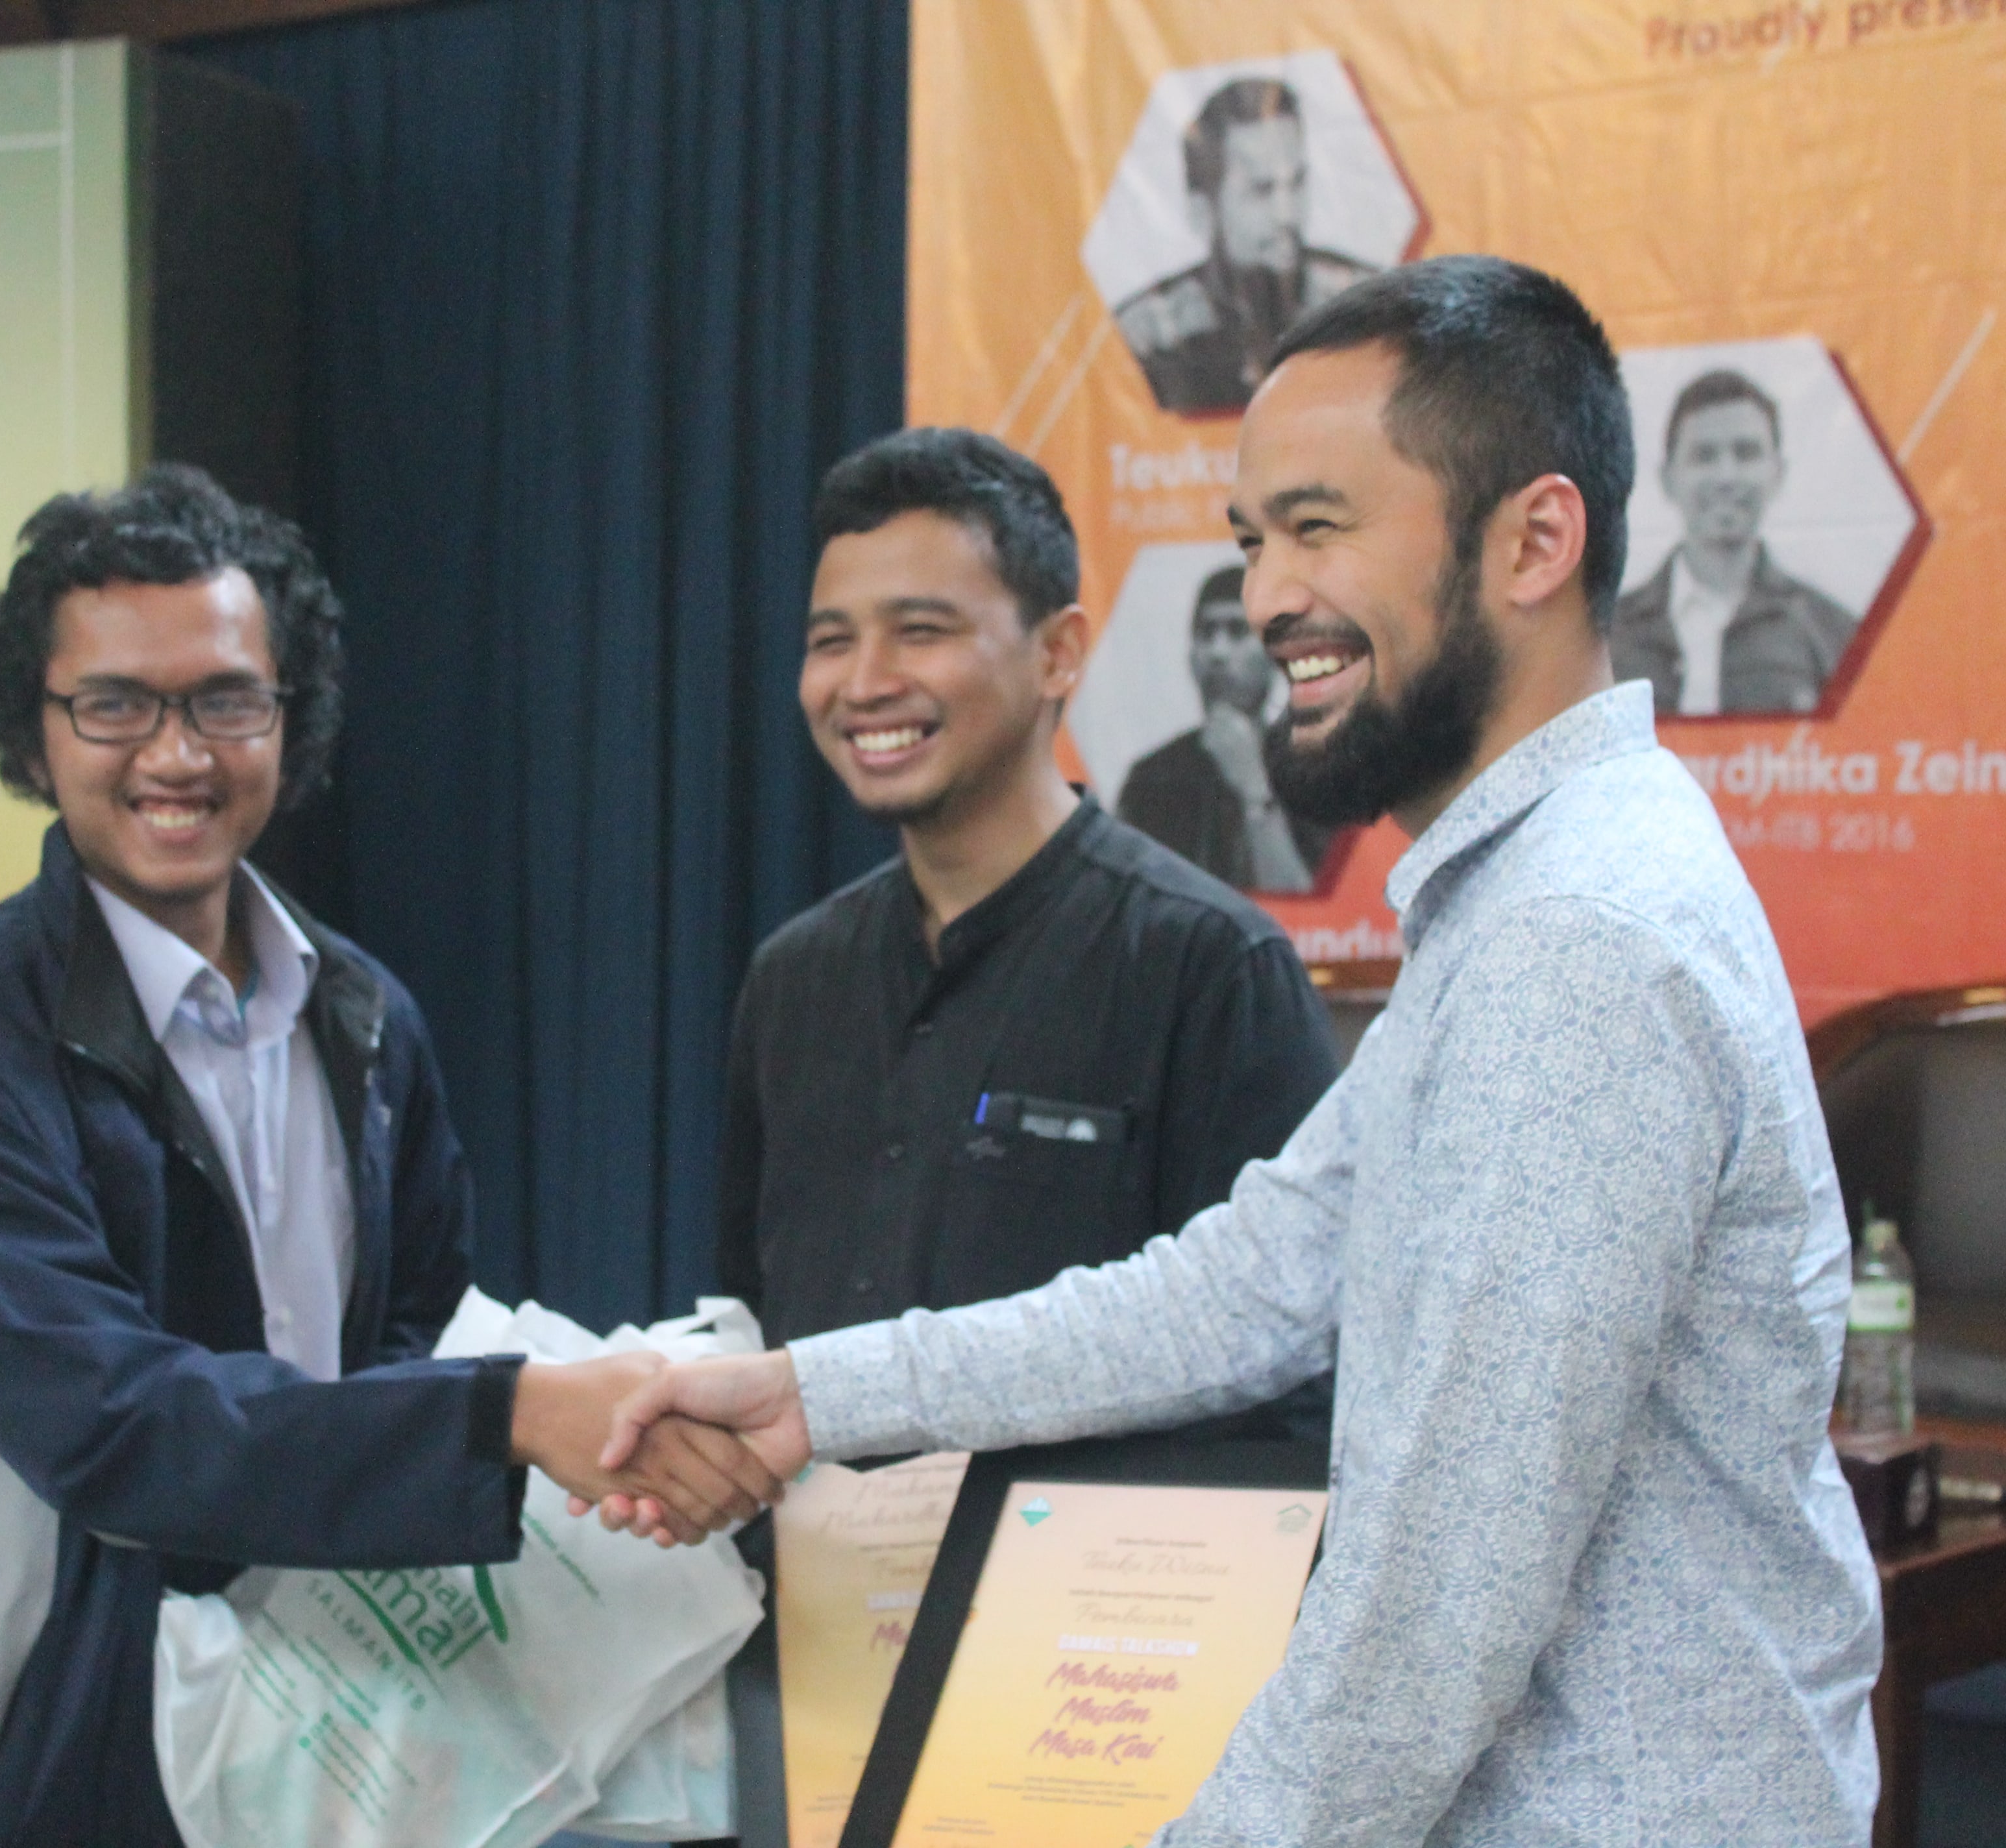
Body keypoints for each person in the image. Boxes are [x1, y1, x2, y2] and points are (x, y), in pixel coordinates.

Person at [598, 258, 1885, 1846]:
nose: (1268, 596)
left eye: (1318, 527)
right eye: (1251, 539)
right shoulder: (1529, 891)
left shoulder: (1575, 934)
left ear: (1535, 541)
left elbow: (1432, 1612)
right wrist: (816, 1390)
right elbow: (1246, 1282)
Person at [0, 466, 772, 1848]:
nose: (175, 754)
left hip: (321, 1709)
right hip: (33, 1725)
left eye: (225, 700)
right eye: (114, 704)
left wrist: (589, 1424)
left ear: (289, 713)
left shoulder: (364, 1014)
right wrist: (512, 1415)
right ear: (36, 726)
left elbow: (410, 1331)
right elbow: (114, 1424)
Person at [715, 428, 1338, 1350]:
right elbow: (750, 1322)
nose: (865, 683)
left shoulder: (1209, 969)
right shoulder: (792, 981)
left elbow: (1284, 1354)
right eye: (831, 641)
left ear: (1057, 654)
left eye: (920, 632)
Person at [1115, 75, 1376, 417]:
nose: (1287, 215)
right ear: (1202, 210)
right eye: (1262, 190)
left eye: (1296, 183)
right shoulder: (1152, 329)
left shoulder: (1363, 306)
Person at [1610, 367, 1857, 714]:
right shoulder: (1605, 637)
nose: (1726, 476)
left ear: (1778, 473)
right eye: (1703, 456)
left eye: (1746, 453)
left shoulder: (1834, 634)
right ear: (1667, 478)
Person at [1116, 563, 1337, 892]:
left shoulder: (1315, 769)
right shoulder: (1152, 778)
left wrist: (1255, 792)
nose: (1217, 653)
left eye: (1237, 631)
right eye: (1206, 634)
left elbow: (1313, 908)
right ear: (1191, 658)